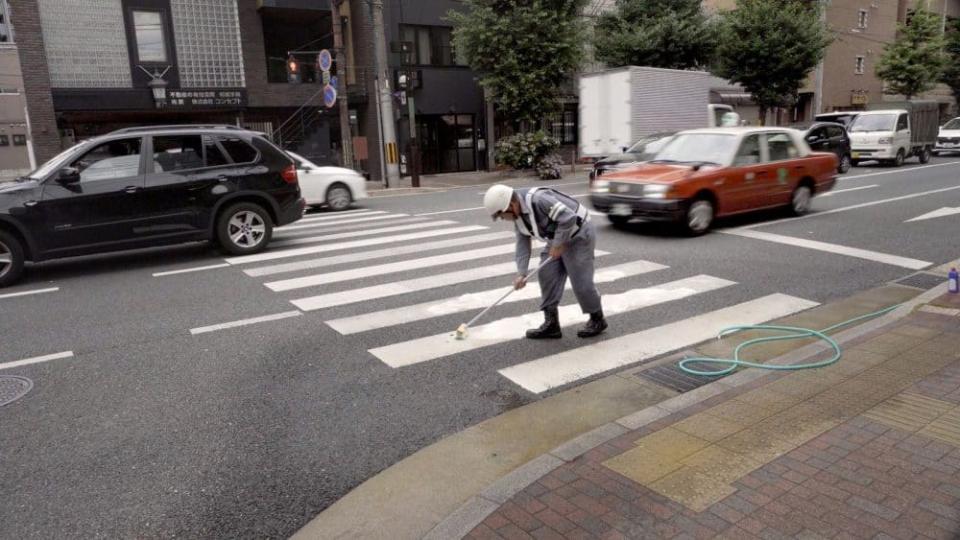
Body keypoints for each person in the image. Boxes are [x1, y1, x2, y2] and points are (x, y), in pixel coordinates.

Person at [483, 184, 607, 339]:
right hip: (557, 236)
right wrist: (522, 273)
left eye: (501, 215)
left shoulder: (539, 200)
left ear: (511, 205)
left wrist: (558, 244)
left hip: (578, 234)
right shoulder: (518, 217)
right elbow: (522, 244)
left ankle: (597, 319)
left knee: (581, 281)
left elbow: (568, 218)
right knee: (546, 273)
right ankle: (551, 324)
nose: (502, 218)